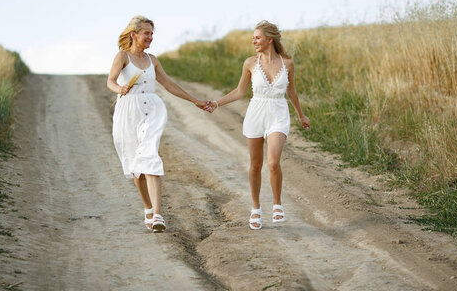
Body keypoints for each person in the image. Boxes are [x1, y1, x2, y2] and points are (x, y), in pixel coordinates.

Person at [107, 15, 210, 233]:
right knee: (137, 167)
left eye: (152, 34)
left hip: (152, 110)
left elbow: (169, 84)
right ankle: (147, 207)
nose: (150, 37)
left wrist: (195, 101)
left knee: (150, 157)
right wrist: (120, 89)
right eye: (146, 33)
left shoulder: (152, 60)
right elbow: (111, 81)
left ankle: (157, 214)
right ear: (134, 35)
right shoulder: (122, 56)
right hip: (128, 111)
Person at [206, 20, 309, 229]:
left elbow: (292, 92)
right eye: (253, 38)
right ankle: (255, 208)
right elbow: (239, 91)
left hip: (278, 114)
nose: (254, 41)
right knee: (255, 165)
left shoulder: (287, 63)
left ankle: (277, 204)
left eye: (257, 38)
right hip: (256, 113)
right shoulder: (250, 63)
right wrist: (217, 103)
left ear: (269, 40)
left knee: (273, 162)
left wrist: (301, 115)